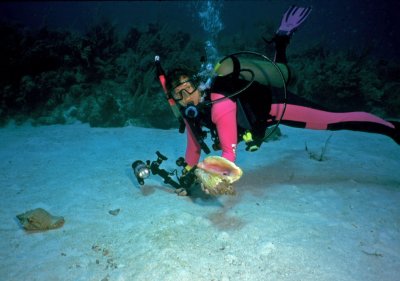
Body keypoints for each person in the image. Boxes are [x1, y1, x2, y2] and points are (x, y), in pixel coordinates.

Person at [164, 6, 400, 191]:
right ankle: (281, 40)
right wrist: (187, 174)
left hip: (277, 106)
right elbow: (193, 149)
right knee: (281, 71)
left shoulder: (219, 102)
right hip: (259, 117)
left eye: (189, 88)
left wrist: (211, 179)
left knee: (337, 120)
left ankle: (393, 129)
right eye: (179, 94)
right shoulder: (189, 113)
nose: (187, 98)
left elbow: (229, 154)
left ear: (198, 84)